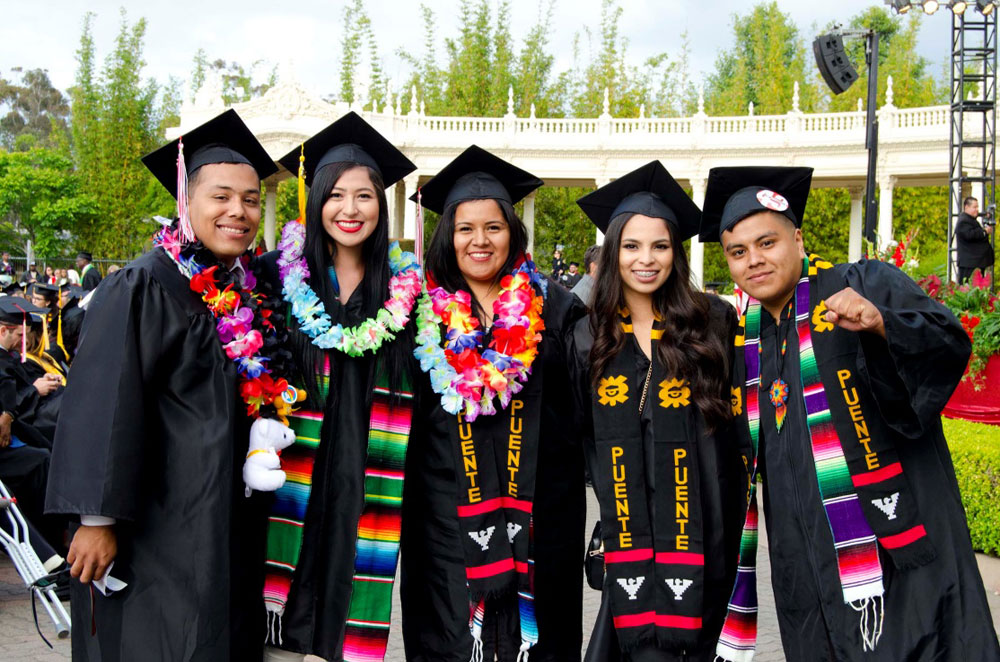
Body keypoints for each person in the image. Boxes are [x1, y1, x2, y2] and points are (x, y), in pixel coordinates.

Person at [699, 166, 1000, 662]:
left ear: (797, 239)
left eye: (767, 242)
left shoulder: (860, 284)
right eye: (738, 252)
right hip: (803, 567)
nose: (754, 260)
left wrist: (884, 325)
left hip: (895, 555)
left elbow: (946, 345)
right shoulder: (744, 341)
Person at [45, 108, 283, 662]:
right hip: (155, 529)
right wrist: (96, 520)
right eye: (221, 196)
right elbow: (104, 404)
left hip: (221, 516)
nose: (238, 212)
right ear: (186, 201)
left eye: (250, 200)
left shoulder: (239, 293)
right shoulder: (144, 283)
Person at [401, 145, 587, 661]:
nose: (479, 241)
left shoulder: (560, 308)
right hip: (445, 522)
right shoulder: (419, 314)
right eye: (465, 229)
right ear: (448, 236)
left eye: (493, 228)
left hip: (538, 518)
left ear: (513, 233)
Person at [257, 111, 421, 662]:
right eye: (336, 195)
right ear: (315, 200)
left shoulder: (408, 291)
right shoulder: (276, 276)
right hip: (292, 468)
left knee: (352, 594)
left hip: (367, 468)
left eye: (365, 196)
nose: (350, 210)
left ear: (382, 204)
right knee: (284, 606)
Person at [570, 161, 745, 661]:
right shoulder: (588, 336)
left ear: (677, 252)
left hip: (703, 529)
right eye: (631, 246)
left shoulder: (712, 321)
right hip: (630, 532)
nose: (646, 259)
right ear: (612, 252)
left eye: (660, 246)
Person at [956, 196, 995, 285]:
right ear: (966, 207)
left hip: (975, 262)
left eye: (977, 207)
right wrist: (984, 231)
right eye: (974, 207)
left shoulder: (970, 220)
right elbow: (969, 235)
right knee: (968, 287)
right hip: (969, 263)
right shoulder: (964, 221)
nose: (977, 210)